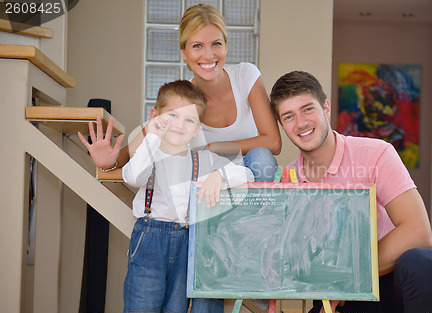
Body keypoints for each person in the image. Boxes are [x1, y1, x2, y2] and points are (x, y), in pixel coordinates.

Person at [269, 71, 432, 313]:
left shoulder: (377, 154)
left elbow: (418, 231)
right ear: (282, 125)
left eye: (307, 109)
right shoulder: (287, 181)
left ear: (326, 107)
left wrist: (348, 278)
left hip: (393, 282)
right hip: (344, 302)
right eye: (288, 116)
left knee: (424, 263)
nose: (300, 123)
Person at [79, 3, 281, 183]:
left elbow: (273, 142)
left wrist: (214, 147)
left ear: (226, 47)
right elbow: (132, 151)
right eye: (197, 46)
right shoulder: (182, 97)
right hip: (208, 179)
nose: (209, 55)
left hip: (249, 173)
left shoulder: (245, 75)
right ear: (184, 52)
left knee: (262, 157)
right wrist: (107, 163)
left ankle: (255, 222)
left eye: (216, 44)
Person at [120, 80, 254, 313]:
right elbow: (132, 177)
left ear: (197, 129)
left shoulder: (203, 159)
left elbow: (248, 174)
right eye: (172, 116)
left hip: (186, 242)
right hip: (149, 240)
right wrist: (152, 135)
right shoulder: (149, 153)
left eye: (189, 120)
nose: (180, 125)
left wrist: (220, 175)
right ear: (155, 117)